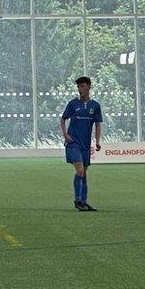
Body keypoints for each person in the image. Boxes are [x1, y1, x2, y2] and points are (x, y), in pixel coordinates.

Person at [60, 76, 102, 212]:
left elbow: (97, 125)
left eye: (82, 86)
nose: (80, 89)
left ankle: (84, 201)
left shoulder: (95, 106)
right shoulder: (73, 104)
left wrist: (97, 141)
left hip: (85, 144)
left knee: (84, 173)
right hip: (73, 143)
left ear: (89, 87)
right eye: (78, 87)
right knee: (80, 171)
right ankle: (78, 200)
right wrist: (65, 134)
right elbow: (63, 119)